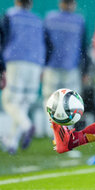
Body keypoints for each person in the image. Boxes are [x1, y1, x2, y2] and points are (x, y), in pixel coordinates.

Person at [0, 0, 45, 154]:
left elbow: (2, 40)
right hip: (35, 65)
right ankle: (11, 142)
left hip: (15, 61)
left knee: (9, 101)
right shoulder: (38, 20)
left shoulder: (10, 16)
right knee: (23, 105)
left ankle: (27, 126)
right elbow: (45, 44)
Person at [42, 0, 88, 135]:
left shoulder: (50, 18)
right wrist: (84, 70)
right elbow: (83, 47)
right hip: (71, 66)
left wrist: (43, 64)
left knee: (50, 99)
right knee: (72, 102)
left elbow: (44, 43)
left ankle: (54, 132)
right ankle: (66, 132)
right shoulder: (79, 20)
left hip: (52, 66)